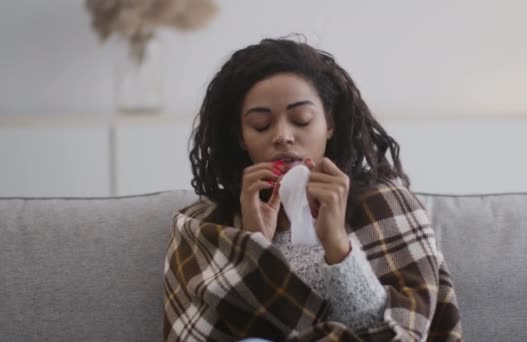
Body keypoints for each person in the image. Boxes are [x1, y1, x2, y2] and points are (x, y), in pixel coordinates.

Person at [163, 36, 462, 341]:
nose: (282, 136)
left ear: (329, 123)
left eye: (301, 120)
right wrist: (253, 247)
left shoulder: (389, 205)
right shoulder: (206, 226)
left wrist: (336, 244)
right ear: (240, 137)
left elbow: (395, 335)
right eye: (261, 125)